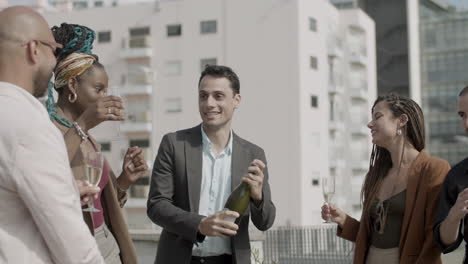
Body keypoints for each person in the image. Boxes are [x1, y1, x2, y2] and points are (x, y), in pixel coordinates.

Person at [0, 6, 104, 263]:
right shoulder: (29, 124)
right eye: (55, 51)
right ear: (33, 49)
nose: (55, 62)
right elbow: (76, 250)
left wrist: (66, 190)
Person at [147, 65, 276, 264]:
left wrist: (258, 197)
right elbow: (157, 206)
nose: (209, 103)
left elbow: (265, 222)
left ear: (236, 100)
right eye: (203, 96)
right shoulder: (174, 144)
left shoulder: (253, 154)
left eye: (218, 96)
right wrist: (200, 224)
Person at [47, 23, 148, 264]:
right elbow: (47, 174)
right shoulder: (47, 127)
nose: (105, 97)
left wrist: (124, 180)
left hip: (108, 245)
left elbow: (101, 199)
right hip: (75, 250)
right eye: (98, 89)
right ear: (72, 86)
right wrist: (83, 124)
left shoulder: (86, 134)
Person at [321, 93, 450, 264]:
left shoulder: (434, 169)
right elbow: (370, 236)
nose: (369, 124)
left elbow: (433, 239)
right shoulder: (376, 175)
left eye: (378, 116)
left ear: (402, 120)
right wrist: (344, 220)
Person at [433, 86, 468, 264]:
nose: (466, 124)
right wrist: (454, 216)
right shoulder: (457, 175)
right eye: (463, 115)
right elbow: (445, 243)